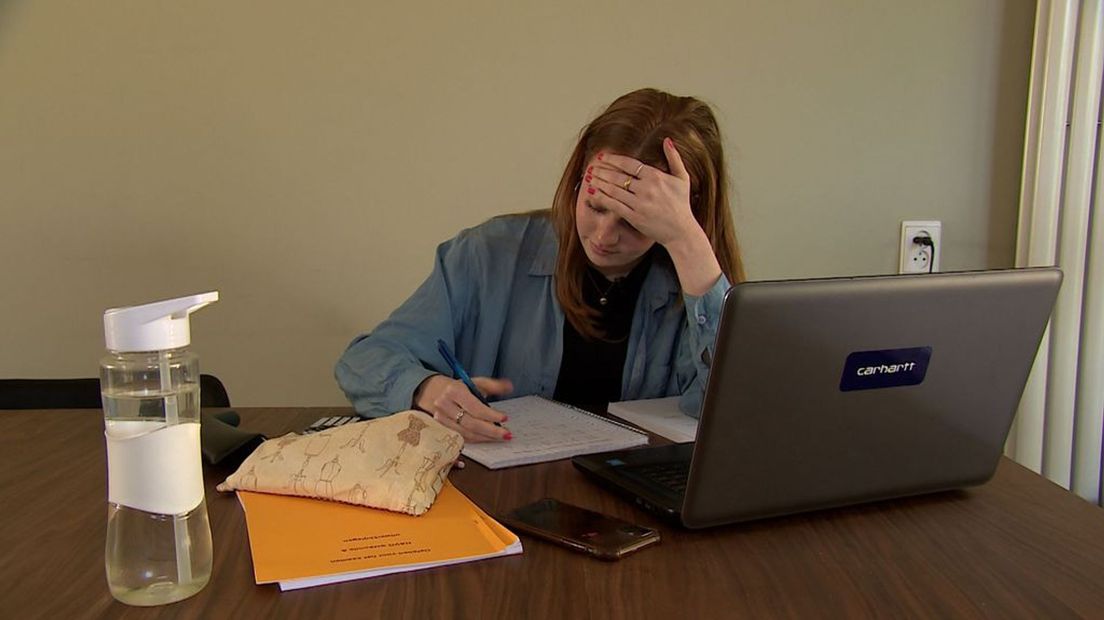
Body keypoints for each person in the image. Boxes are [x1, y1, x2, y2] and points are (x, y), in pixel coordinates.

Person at [335, 88, 745, 443]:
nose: (603, 236)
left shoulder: (694, 280)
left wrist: (690, 245)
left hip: (639, 501)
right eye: (595, 206)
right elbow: (365, 360)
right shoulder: (487, 253)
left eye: (634, 222)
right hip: (504, 494)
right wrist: (425, 387)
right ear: (577, 182)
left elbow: (731, 416)